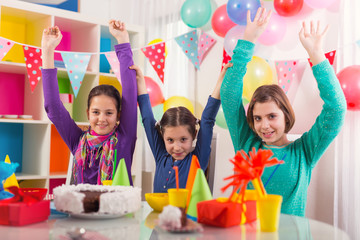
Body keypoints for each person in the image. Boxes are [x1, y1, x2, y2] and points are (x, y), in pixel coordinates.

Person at [220, 8, 346, 217]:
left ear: (286, 116)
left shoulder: (304, 152)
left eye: (272, 116)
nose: (264, 125)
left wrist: (316, 56)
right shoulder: (246, 144)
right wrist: (247, 41)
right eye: (257, 118)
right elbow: (229, 95)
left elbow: (337, 109)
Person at [41, 20, 137, 185]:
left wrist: (122, 40)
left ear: (118, 115)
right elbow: (53, 107)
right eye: (96, 112)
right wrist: (48, 51)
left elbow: (129, 90)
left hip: (116, 210)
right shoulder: (78, 140)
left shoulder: (124, 138)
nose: (102, 118)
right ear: (88, 113)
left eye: (109, 113)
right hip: (82, 209)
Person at [130, 63, 230, 193]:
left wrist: (221, 80)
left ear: (194, 134)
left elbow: (207, 120)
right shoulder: (161, 156)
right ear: (163, 136)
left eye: (183, 139)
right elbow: (148, 120)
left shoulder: (197, 160)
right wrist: (140, 81)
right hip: (159, 213)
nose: (177, 147)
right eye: (170, 140)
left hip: (186, 214)